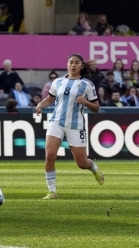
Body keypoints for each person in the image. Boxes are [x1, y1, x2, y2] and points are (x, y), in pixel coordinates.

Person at [34, 54, 103, 199]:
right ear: (67, 65)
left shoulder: (87, 85)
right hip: (56, 122)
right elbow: (49, 99)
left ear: (81, 66)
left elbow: (96, 107)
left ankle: (93, 168)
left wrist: (85, 101)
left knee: (82, 163)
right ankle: (52, 192)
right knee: (50, 155)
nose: (73, 65)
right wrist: (40, 105)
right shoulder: (57, 82)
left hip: (75, 126)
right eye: (71, 62)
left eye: (76, 63)